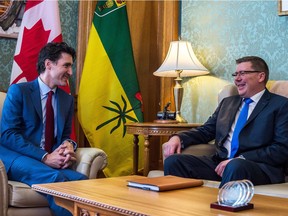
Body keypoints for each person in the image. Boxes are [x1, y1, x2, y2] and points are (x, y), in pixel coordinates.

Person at [163, 56, 288, 188]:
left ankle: (221, 206)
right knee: (174, 161)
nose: (237, 79)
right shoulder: (228, 103)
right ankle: (180, 208)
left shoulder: (281, 105)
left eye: (242, 73)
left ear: (261, 76)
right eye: (235, 74)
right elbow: (206, 131)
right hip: (221, 163)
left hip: (257, 167)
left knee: (235, 166)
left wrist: (241, 158)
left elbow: (281, 148)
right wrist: (178, 138)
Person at [0, 42, 88, 216]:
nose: (71, 72)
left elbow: (65, 135)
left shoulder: (66, 100)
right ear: (48, 64)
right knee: (55, 178)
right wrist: (45, 157)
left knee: (82, 181)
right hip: (17, 157)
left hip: (48, 159)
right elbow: (7, 135)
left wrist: (68, 146)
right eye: (67, 65)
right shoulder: (19, 91)